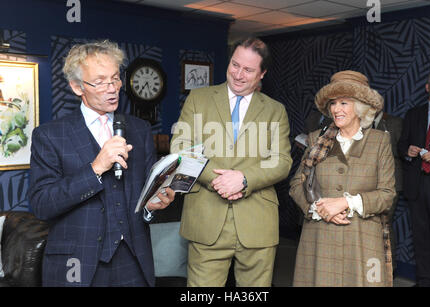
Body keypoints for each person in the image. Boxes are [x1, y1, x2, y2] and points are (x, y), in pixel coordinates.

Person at [28, 40, 175, 287]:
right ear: (77, 87)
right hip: (76, 266)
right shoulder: (50, 135)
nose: (112, 88)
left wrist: (153, 204)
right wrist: (95, 168)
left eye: (115, 79)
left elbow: (142, 196)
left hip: (134, 262)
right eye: (100, 82)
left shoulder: (139, 130)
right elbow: (42, 205)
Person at [170, 37, 292, 287]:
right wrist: (219, 181)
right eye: (235, 65)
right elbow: (181, 148)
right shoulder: (198, 98)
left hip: (257, 222)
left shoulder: (275, 110)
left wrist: (244, 179)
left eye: (248, 70)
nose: (238, 74)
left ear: (262, 74)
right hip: (206, 220)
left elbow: (281, 161)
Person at [289, 70, 396, 287]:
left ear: (360, 107)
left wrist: (346, 202)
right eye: (333, 103)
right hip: (319, 239)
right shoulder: (315, 139)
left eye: (344, 103)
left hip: (362, 241)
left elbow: (387, 195)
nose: (336, 109)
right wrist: (318, 208)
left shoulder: (379, 141)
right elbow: (296, 184)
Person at [397, 68, 430, 287]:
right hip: (417, 186)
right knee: (421, 240)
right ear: (427, 87)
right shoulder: (413, 113)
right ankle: (425, 281)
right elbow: (401, 145)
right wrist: (407, 151)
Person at [372, 110, 403, 271]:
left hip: (390, 182)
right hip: (368, 183)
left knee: (384, 223)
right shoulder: (361, 122)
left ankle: (389, 268)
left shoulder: (394, 122)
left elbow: (402, 151)